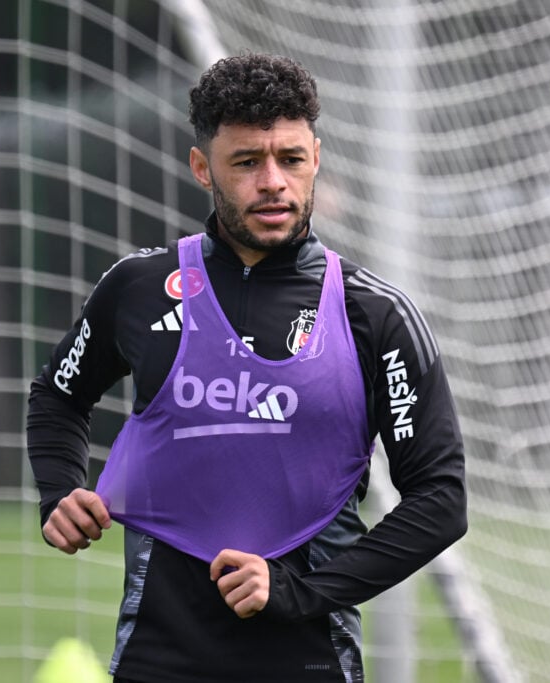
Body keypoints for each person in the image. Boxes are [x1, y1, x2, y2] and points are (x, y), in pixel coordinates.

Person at [27, 52, 467, 683]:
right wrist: (58, 490)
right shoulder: (141, 288)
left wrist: (301, 593)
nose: (272, 182)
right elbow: (57, 396)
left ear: (315, 157)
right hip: (157, 662)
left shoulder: (375, 316)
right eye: (246, 162)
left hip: (310, 662)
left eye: (289, 159)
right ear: (202, 168)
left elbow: (441, 499)